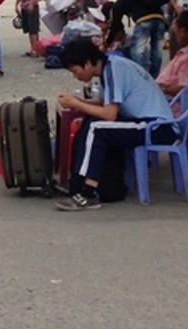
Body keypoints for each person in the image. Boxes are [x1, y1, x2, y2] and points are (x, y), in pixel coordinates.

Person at [53, 39, 178, 211]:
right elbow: (106, 104)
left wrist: (77, 104)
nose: (75, 76)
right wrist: (79, 102)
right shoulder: (110, 66)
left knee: (96, 128)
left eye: (75, 71)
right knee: (90, 122)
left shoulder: (113, 69)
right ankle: (78, 183)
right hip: (146, 123)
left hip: (157, 127)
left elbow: (109, 114)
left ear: (88, 63)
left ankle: (89, 193)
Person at [116, 0, 170, 78]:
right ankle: (154, 77)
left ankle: (142, 77)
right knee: (157, 51)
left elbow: (119, 8)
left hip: (144, 21)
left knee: (137, 51)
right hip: (159, 20)